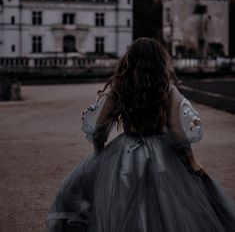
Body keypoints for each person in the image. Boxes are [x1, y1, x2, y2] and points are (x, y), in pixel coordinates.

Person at [46, 37, 235, 232]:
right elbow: (178, 133)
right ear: (159, 60)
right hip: (163, 153)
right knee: (166, 207)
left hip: (125, 152)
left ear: (129, 59)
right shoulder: (167, 89)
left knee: (123, 205)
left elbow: (101, 126)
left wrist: (99, 151)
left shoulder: (120, 86)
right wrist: (191, 159)